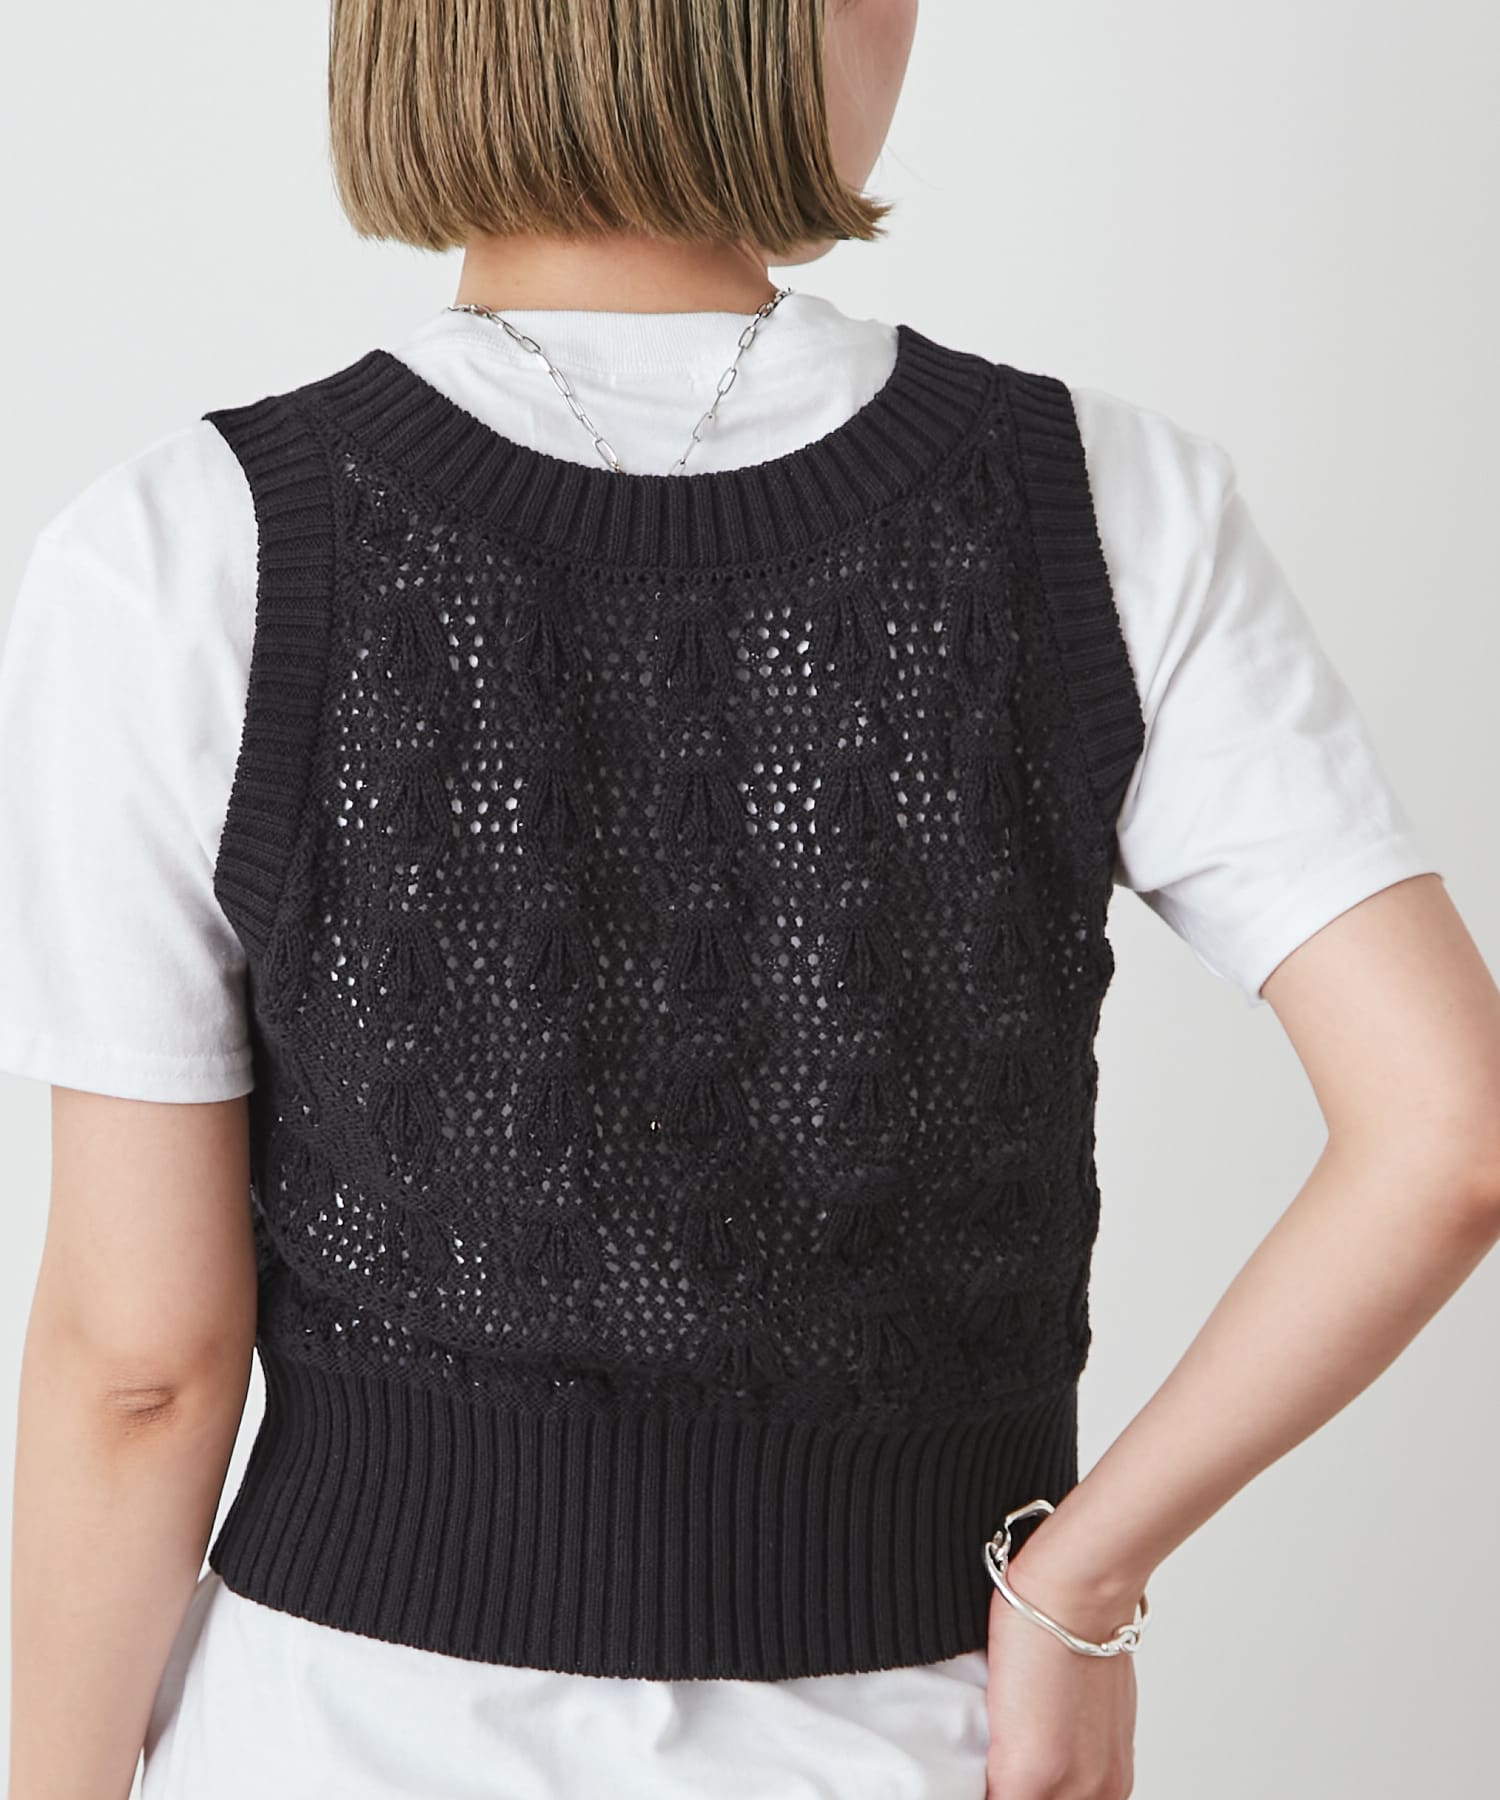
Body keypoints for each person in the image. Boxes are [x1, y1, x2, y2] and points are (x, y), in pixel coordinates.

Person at [4, 4, 1499, 1798]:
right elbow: (1449, 1134)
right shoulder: (1102, 506)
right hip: (923, 1736)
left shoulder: (180, 554)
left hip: (332, 1730)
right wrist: (1081, 1578)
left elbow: (144, 1368)